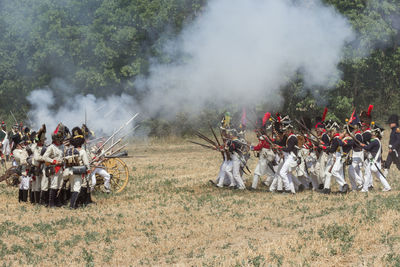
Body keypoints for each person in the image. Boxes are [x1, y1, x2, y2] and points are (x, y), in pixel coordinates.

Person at [360, 124, 391, 192]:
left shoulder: (375, 141)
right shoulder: (376, 141)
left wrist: (362, 145)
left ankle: (365, 189)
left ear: (376, 134)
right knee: (379, 175)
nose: (371, 133)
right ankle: (387, 187)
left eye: (373, 132)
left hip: (373, 161)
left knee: (367, 174)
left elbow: (367, 148)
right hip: (375, 161)